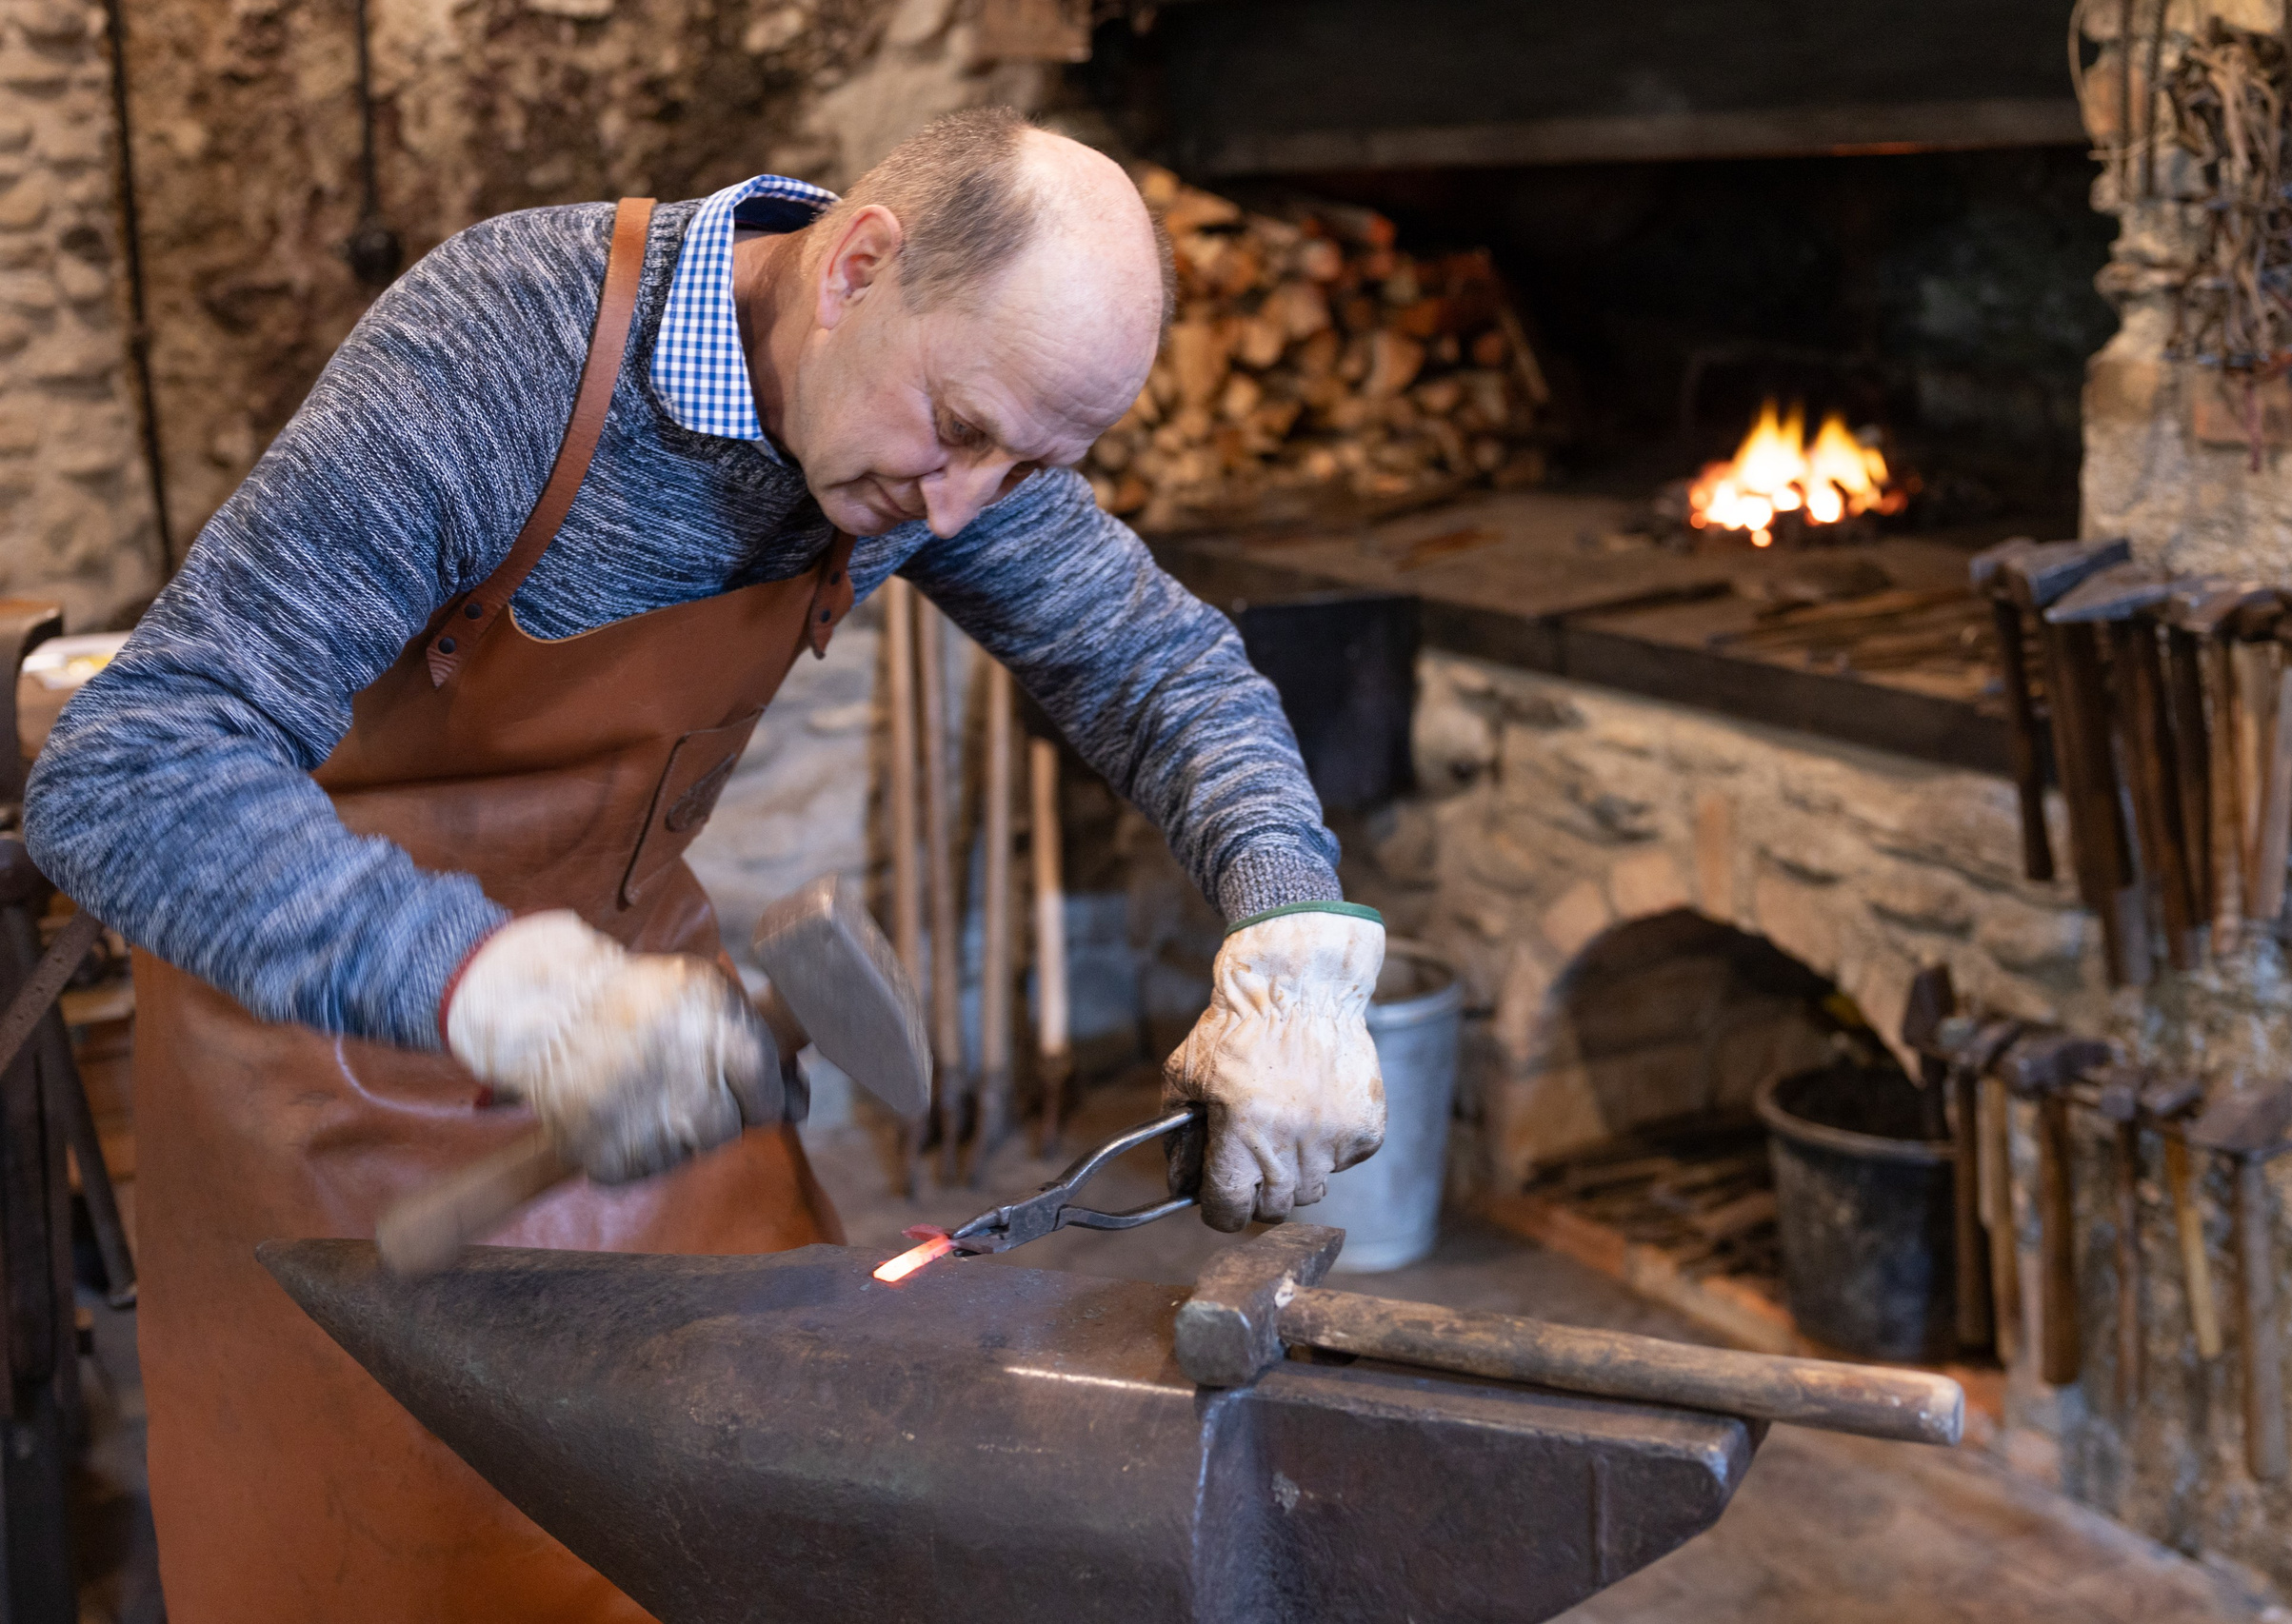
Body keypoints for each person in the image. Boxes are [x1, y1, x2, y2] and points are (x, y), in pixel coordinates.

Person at [24, 107, 1386, 1622]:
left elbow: (1160, 669)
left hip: (666, 1068)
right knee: (399, 1576)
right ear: (858, 264)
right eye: (964, 429)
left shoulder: (934, 431)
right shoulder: (505, 347)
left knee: (765, 1544)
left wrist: (1296, 938)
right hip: (325, 1070)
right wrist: (507, 997)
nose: (959, 509)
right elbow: (129, 770)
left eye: (1028, 465)